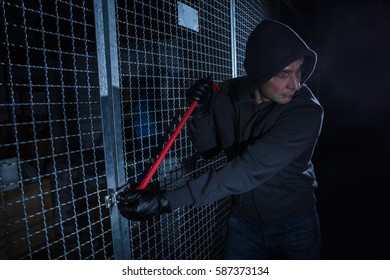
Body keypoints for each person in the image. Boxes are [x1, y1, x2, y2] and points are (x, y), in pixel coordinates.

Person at [117, 19, 324, 260]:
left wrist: (165, 201)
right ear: (259, 73)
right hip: (243, 222)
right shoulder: (226, 95)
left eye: (299, 70)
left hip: (294, 224)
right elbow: (209, 150)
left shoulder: (306, 112)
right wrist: (202, 113)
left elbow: (248, 169)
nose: (296, 83)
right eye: (284, 74)